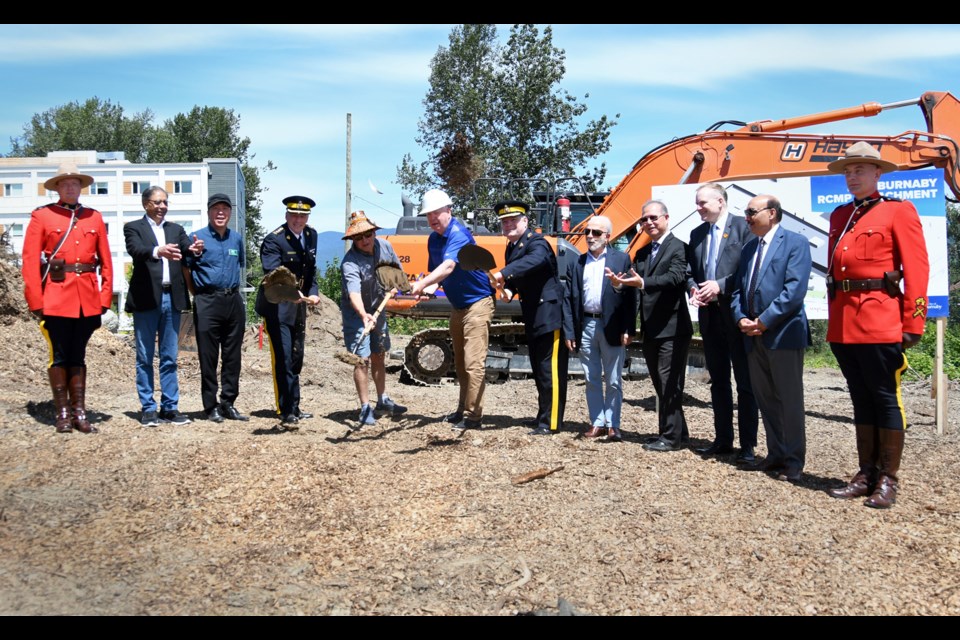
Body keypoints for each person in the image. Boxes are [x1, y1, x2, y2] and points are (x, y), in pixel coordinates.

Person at [824, 141, 929, 509]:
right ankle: (865, 473)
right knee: (860, 399)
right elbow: (834, 276)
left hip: (881, 320)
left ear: (877, 173)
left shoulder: (897, 211)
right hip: (844, 323)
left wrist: (913, 322)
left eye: (860, 170)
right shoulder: (840, 216)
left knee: (885, 399)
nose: (852, 177)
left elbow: (917, 269)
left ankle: (888, 479)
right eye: (848, 171)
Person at [21, 162, 113, 434]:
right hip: (56, 296)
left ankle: (80, 412)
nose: (71, 187)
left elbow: (106, 261)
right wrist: (36, 302)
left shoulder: (94, 217)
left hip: (86, 297)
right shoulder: (42, 216)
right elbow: (29, 262)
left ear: (81, 188)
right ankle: (63, 414)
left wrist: (104, 298)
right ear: (57, 188)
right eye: (65, 183)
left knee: (79, 355)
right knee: (60, 355)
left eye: (76, 183)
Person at [731, 195, 812, 482]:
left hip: (783, 335)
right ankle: (775, 454)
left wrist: (763, 322)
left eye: (752, 212)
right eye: (746, 212)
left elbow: (794, 291)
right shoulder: (750, 247)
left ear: (773, 213)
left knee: (788, 400)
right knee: (766, 398)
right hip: (752, 336)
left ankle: (793, 460)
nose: (747, 217)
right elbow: (738, 290)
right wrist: (741, 317)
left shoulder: (795, 243)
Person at [408, 189, 494, 436]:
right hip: (458, 306)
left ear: (449, 210)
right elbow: (437, 273)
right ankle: (461, 409)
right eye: (428, 215)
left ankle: (473, 416)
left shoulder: (459, 234)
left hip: (478, 303)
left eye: (436, 212)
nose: (432, 218)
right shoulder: (434, 239)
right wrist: (428, 287)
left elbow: (448, 266)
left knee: (472, 363)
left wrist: (421, 284)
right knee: (459, 362)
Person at [610, 201, 691, 451]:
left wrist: (642, 282)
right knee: (660, 382)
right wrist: (618, 283)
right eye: (644, 220)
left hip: (673, 327)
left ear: (666, 217)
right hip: (651, 327)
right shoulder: (643, 252)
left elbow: (675, 278)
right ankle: (678, 432)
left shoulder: (679, 247)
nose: (649, 223)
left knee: (669, 382)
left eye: (653, 218)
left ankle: (670, 438)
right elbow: (633, 282)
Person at [686, 183, 759, 463]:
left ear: (720, 200)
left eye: (703, 203)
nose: (698, 208)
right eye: (697, 203)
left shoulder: (744, 227)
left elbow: (749, 272)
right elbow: (691, 271)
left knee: (745, 381)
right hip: (710, 316)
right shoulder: (697, 234)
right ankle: (723, 439)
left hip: (738, 314)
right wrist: (694, 288)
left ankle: (748, 445)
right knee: (718, 380)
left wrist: (719, 285)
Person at [124, 186, 203, 427]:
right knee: (145, 356)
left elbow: (188, 252)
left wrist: (196, 250)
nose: (162, 206)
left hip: (173, 298)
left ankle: (170, 407)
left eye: (165, 202)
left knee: (169, 357)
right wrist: (158, 251)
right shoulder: (133, 227)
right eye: (157, 202)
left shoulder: (175, 229)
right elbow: (135, 250)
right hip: (147, 298)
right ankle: (148, 408)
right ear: (145, 204)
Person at [491, 200, 568, 435]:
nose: (508, 225)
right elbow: (521, 277)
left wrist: (503, 273)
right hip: (534, 314)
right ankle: (543, 417)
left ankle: (552, 422)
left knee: (550, 370)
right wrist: (509, 290)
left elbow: (533, 262)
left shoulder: (538, 243)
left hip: (549, 314)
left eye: (513, 220)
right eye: (504, 222)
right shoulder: (512, 247)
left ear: (525, 221)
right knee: (539, 368)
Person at [561, 215, 635, 442]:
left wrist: (629, 328)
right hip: (586, 325)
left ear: (608, 237)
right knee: (591, 377)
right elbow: (569, 298)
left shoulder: (621, 260)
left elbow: (631, 298)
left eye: (596, 233)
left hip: (611, 324)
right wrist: (570, 331)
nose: (590, 237)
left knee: (613, 379)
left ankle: (614, 424)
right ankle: (597, 422)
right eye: (588, 232)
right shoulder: (578, 262)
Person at [254, 196, 324, 428]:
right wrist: (297, 295)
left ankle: (295, 405)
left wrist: (313, 292)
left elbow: (311, 271)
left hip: (299, 304)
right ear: (286, 216)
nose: (298, 220)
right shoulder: (274, 240)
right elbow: (274, 277)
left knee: (296, 356)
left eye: (303, 216)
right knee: (283, 356)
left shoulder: (311, 235)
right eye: (294, 215)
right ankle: (286, 411)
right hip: (278, 303)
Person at [339, 210, 408, 428]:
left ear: (373, 232)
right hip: (356, 313)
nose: (365, 240)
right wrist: (363, 315)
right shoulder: (350, 263)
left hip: (379, 308)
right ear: (353, 239)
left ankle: (383, 399)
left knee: (379, 353)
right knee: (362, 359)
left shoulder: (385, 246)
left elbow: (397, 272)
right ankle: (365, 407)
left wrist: (396, 284)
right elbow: (354, 293)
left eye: (368, 234)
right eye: (359, 237)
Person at [186, 193, 248, 423]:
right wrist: (199, 295)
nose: (220, 212)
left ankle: (228, 403)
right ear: (209, 211)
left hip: (232, 301)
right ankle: (210, 406)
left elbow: (239, 265)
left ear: (230, 212)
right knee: (208, 356)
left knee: (233, 356)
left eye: (224, 208)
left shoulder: (237, 239)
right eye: (216, 209)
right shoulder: (197, 238)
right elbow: (186, 270)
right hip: (207, 301)